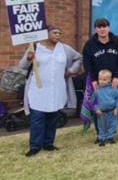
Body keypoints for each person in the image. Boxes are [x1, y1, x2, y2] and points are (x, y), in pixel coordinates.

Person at [19, 26, 82, 157]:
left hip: (57, 89)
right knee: (37, 118)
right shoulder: (35, 47)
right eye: (55, 32)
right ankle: (35, 146)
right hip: (38, 90)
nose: (58, 35)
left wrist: (71, 71)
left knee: (53, 118)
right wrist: (28, 58)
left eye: (60, 33)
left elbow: (79, 58)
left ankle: (48, 143)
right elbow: (22, 66)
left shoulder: (64, 49)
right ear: (46, 34)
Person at [82, 18, 118, 142]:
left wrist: (117, 76)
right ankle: (100, 134)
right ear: (96, 29)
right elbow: (87, 63)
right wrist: (94, 79)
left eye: (104, 26)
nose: (102, 29)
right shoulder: (90, 45)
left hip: (115, 82)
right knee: (98, 108)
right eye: (99, 27)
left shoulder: (116, 42)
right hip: (98, 83)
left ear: (108, 28)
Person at [92, 70, 118, 146]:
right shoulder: (97, 91)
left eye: (104, 80)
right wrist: (96, 109)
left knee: (112, 125)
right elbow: (92, 101)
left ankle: (110, 137)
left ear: (109, 80)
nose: (101, 81)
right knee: (101, 126)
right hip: (101, 113)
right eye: (100, 79)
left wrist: (117, 108)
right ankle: (102, 139)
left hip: (112, 111)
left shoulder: (113, 89)